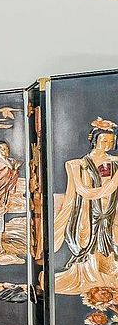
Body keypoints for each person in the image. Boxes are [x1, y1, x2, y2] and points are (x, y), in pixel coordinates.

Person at [53, 118, 118, 295]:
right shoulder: (78, 164)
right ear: (94, 140)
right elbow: (82, 190)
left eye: (111, 141)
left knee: (110, 237)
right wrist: (102, 190)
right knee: (87, 237)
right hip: (88, 208)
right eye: (104, 140)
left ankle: (108, 272)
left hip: (111, 207)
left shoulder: (115, 162)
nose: (107, 145)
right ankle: (90, 273)